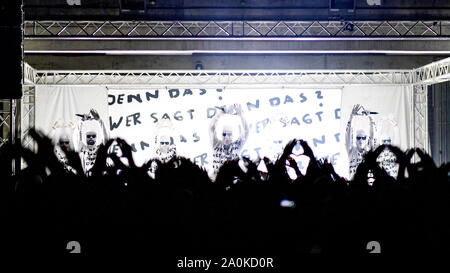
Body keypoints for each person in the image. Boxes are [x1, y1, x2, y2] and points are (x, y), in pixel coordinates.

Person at [209, 104, 249, 178]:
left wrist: (240, 114)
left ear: (233, 135)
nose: (227, 137)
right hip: (217, 179)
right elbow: (211, 128)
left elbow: (246, 131)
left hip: (232, 179)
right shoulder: (216, 144)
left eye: (229, 134)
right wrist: (221, 113)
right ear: (221, 135)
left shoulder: (237, 146)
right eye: (224, 134)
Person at [73, 108, 109, 175]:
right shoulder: (82, 148)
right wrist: (81, 121)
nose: (91, 138)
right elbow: (76, 137)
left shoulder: (100, 148)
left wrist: (99, 120)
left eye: (93, 136)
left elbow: (106, 138)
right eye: (89, 136)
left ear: (96, 138)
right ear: (86, 138)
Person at [345, 104, 376, 178]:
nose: (361, 140)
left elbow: (373, 136)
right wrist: (351, 117)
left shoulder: (369, 151)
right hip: (354, 186)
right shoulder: (351, 151)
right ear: (355, 139)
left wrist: (371, 118)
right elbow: (348, 135)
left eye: (363, 138)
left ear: (366, 139)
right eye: (358, 138)